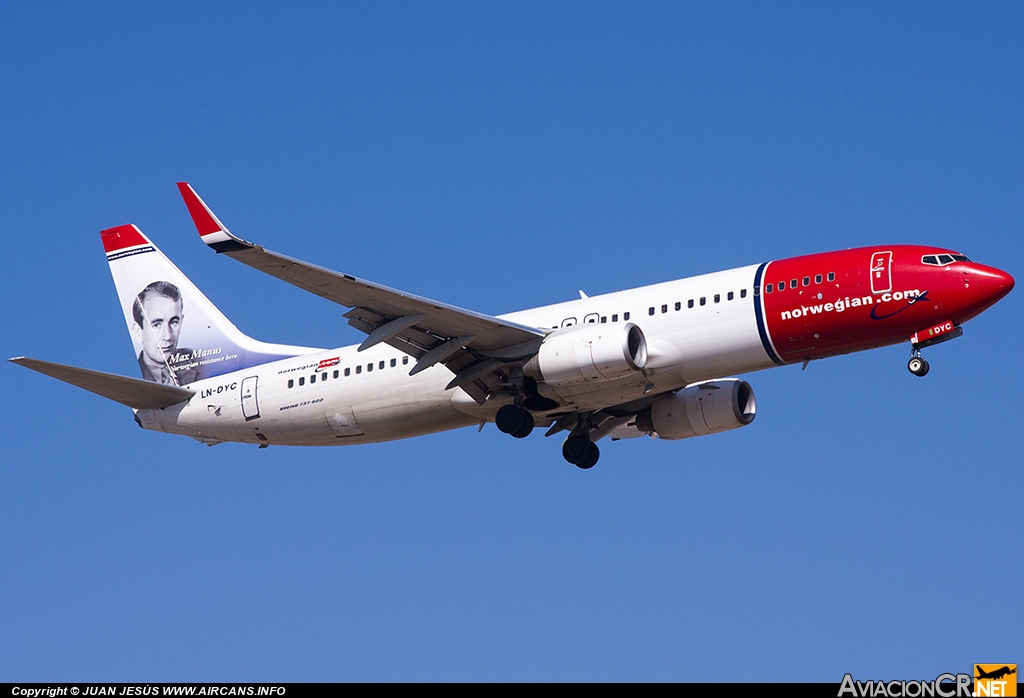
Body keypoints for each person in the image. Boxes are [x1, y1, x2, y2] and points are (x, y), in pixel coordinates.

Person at [130, 281, 200, 385]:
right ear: (138, 332)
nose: (167, 336)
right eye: (157, 325)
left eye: (174, 322)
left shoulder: (198, 362)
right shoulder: (135, 375)